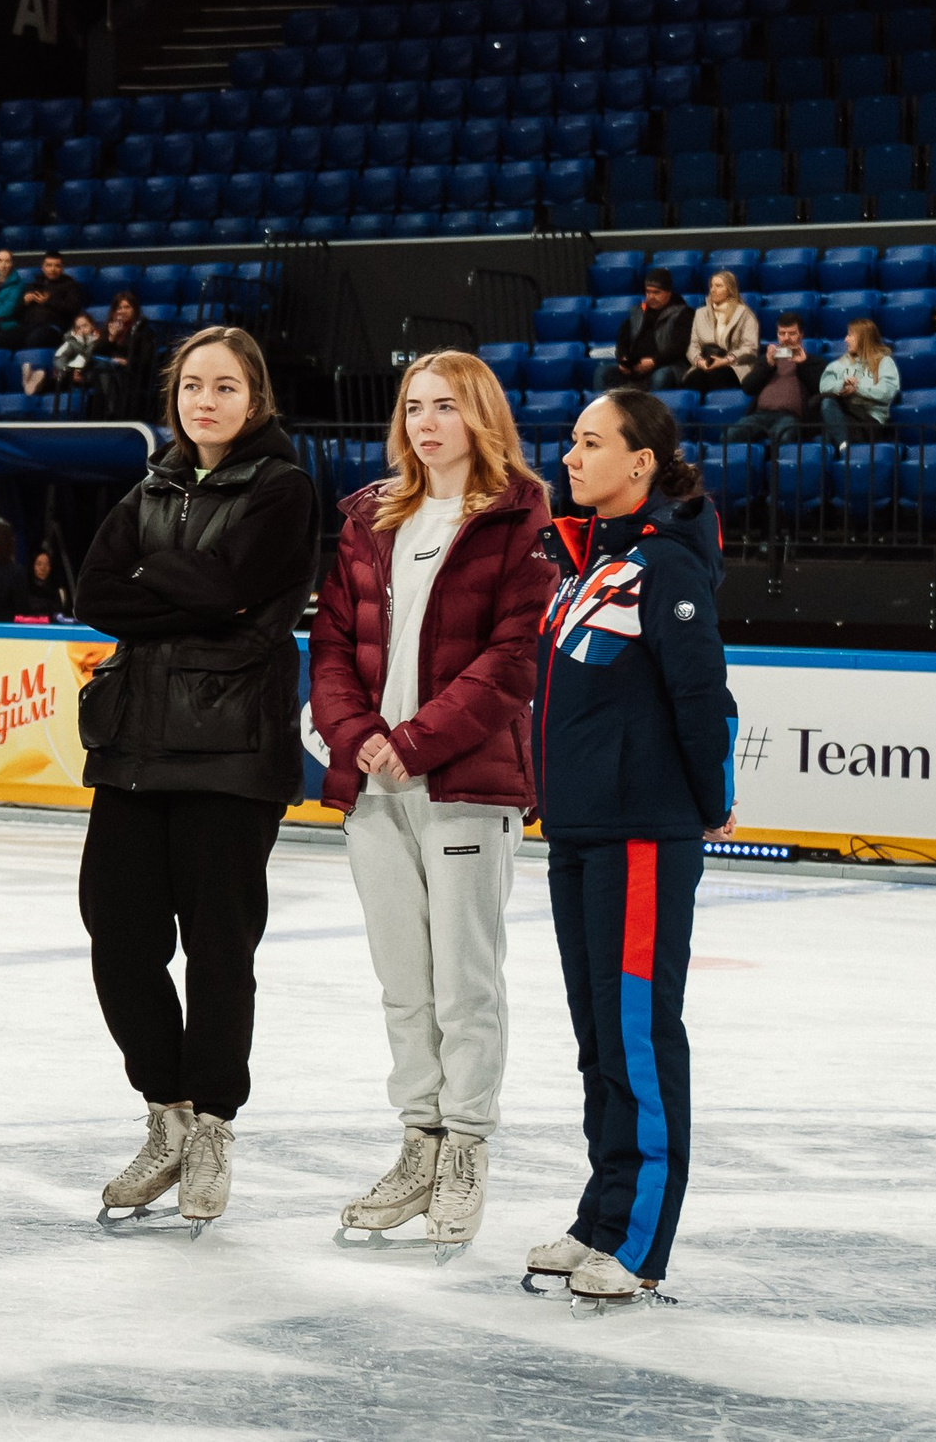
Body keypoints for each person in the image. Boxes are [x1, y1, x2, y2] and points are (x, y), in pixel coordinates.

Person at [307, 351, 556, 1253]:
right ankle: (419, 1141)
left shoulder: (522, 519)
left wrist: (412, 741)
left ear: (481, 414)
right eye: (413, 406)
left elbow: (512, 659)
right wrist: (356, 735)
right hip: (374, 789)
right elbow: (332, 640)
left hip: (463, 785)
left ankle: (467, 1150)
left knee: (465, 982)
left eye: (445, 406)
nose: (424, 422)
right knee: (402, 983)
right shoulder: (370, 517)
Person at [74, 325, 317, 1230]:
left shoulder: (284, 488)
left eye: (223, 386)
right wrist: (193, 587)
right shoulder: (153, 482)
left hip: (230, 753)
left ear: (255, 395)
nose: (204, 401)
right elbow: (97, 591)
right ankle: (166, 1111)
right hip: (136, 745)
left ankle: (213, 1122)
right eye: (190, 386)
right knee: (117, 930)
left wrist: (168, 584)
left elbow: (234, 590)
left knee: (219, 946)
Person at [523, 388, 737, 1308]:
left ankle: (641, 1240)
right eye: (571, 441)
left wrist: (710, 800)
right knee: (597, 1039)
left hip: (644, 834)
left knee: (640, 1039)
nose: (570, 457)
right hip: (579, 831)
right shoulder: (582, 563)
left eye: (590, 442)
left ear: (640, 461)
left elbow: (702, 696)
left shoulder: (665, 564)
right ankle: (603, 1214)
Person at [725, 314, 823, 445]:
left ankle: (774, 463)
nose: (786, 338)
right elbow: (748, 388)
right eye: (782, 333)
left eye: (792, 333)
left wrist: (803, 364)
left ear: (801, 335)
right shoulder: (766, 361)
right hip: (760, 415)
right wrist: (768, 365)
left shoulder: (813, 362)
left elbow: (819, 388)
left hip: (790, 417)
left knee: (783, 436)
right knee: (731, 434)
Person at [818, 318, 901, 446]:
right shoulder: (840, 364)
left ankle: (844, 446)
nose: (845, 340)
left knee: (826, 438)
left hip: (869, 420)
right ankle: (845, 446)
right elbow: (824, 387)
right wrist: (843, 385)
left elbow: (887, 392)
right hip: (843, 415)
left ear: (863, 337)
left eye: (850, 335)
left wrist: (857, 388)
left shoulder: (884, 362)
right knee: (827, 403)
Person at [606, 270, 691, 390]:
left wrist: (654, 361)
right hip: (635, 366)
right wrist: (623, 358)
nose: (651, 297)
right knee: (603, 372)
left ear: (669, 292)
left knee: (661, 376)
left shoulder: (683, 313)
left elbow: (679, 347)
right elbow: (623, 339)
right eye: (648, 292)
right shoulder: (637, 312)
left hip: (665, 365)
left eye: (656, 292)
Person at [680, 271, 760, 393]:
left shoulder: (745, 314)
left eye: (718, 286)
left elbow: (750, 347)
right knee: (693, 379)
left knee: (718, 376)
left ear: (730, 289)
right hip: (705, 364)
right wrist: (699, 361)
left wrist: (725, 360)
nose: (713, 290)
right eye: (711, 286)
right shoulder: (700, 313)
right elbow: (693, 345)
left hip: (733, 365)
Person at [6, 251, 85, 353]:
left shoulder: (71, 285)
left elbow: (73, 309)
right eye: (49, 265)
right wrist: (24, 302)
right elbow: (14, 314)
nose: (52, 269)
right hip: (28, 326)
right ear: (43, 267)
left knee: (33, 340)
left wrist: (48, 301)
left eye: (57, 266)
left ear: (62, 268)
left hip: (53, 328)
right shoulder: (34, 285)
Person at [93, 292, 156, 417]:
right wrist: (111, 338)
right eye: (119, 308)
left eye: (127, 307)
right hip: (111, 370)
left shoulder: (143, 331)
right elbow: (96, 352)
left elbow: (146, 359)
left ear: (135, 309)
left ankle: (112, 411)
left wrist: (127, 362)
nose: (122, 311)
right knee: (101, 367)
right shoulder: (111, 327)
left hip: (134, 372)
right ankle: (109, 410)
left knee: (104, 371)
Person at [33, 310, 105, 400]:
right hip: (69, 374)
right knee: (59, 379)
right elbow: (59, 358)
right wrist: (68, 371)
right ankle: (36, 380)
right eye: (78, 328)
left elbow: (92, 358)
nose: (82, 330)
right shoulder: (71, 342)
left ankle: (38, 382)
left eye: (85, 326)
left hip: (87, 375)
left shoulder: (99, 341)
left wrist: (93, 343)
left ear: (92, 326)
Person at [17, 547, 71, 619]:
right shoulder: (24, 589)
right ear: (32, 566)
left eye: (46, 564)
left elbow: (59, 614)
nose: (43, 568)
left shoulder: (55, 589)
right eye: (39, 564)